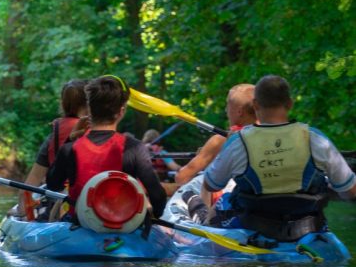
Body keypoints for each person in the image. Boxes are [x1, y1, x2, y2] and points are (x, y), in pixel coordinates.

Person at [197, 75, 356, 240]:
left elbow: (211, 184)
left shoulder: (238, 142)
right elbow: (349, 192)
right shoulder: (316, 139)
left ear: (256, 104)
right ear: (289, 104)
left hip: (252, 226)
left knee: (223, 201)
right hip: (307, 229)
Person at [46, 75, 167, 221]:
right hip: (124, 225)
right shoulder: (135, 148)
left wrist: (70, 139)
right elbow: (158, 196)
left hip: (81, 223)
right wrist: (153, 217)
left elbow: (53, 184)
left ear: (90, 110)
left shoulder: (70, 149)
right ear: (121, 112)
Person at [18, 79, 89, 215]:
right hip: (90, 203)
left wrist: (21, 211)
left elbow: (29, 185)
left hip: (58, 199)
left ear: (63, 104)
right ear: (91, 104)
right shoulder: (99, 133)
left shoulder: (53, 137)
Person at [175, 84, 256, 185]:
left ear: (239, 111)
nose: (226, 110)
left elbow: (181, 178)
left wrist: (207, 158)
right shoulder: (272, 134)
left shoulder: (219, 141)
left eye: (228, 105)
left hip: (232, 197)